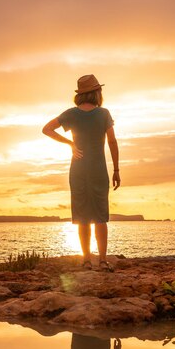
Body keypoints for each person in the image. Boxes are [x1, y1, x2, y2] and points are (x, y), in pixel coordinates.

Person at [42, 74, 120, 271]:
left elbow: (47, 129)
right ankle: (102, 260)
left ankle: (86, 260)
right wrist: (117, 169)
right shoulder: (103, 113)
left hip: (77, 169)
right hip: (98, 169)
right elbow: (112, 142)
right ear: (96, 92)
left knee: (82, 217)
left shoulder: (71, 114)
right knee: (100, 217)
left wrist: (69, 143)